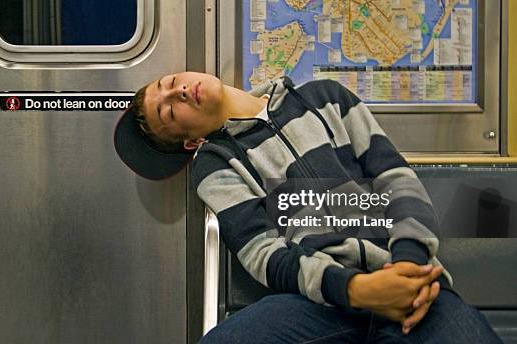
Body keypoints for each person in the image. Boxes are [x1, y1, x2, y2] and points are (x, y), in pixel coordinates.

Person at [114, 71, 501, 343]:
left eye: (168, 83)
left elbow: (396, 179)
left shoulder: (326, 98)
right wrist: (354, 289)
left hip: (405, 278)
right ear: (189, 142)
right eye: (168, 111)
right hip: (320, 303)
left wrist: (409, 266)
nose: (176, 92)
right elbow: (265, 255)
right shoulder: (216, 163)